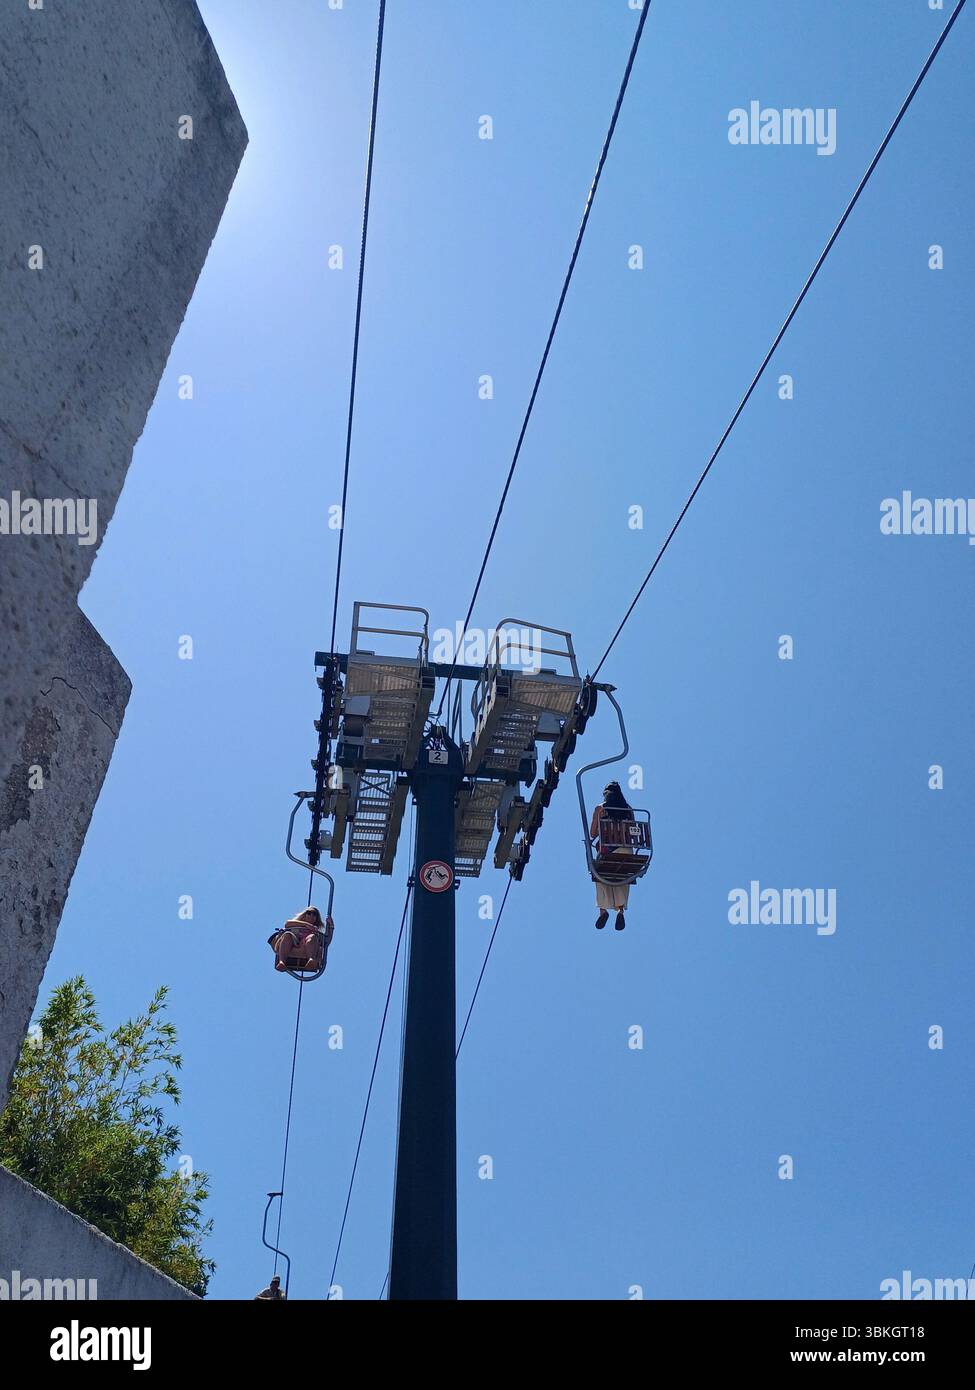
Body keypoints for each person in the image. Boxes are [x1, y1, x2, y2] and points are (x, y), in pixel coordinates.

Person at [589, 781, 635, 931]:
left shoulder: (600, 809)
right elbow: (633, 830)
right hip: (626, 851)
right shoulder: (629, 810)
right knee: (622, 876)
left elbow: (592, 833)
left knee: (599, 873)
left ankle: (603, 910)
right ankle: (620, 910)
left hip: (608, 852)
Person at [268, 906, 334, 974]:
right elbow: (287, 924)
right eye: (309, 913)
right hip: (293, 944)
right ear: (304, 915)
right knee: (287, 935)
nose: (311, 915)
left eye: (314, 914)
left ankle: (311, 960)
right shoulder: (295, 925)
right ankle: (282, 962)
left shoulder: (315, 931)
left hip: (306, 946)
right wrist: (306, 924)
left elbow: (326, 942)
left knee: (312, 937)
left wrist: (331, 927)